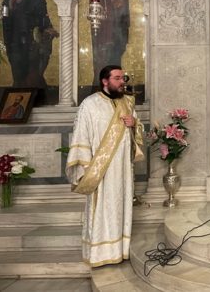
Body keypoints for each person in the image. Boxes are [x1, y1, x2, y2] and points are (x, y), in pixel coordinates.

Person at [65, 65, 144, 267]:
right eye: (117, 78)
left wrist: (134, 124)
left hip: (123, 168)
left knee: (120, 205)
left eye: (123, 78)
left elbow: (138, 129)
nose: (122, 82)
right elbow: (81, 134)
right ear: (105, 81)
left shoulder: (127, 102)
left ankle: (120, 250)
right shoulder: (90, 104)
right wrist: (86, 166)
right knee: (102, 208)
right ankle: (100, 253)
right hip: (101, 169)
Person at [1, 0, 59, 88]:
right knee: (19, 70)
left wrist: (48, 27)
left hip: (34, 37)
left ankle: (35, 91)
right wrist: (11, 4)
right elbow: (5, 14)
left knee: (35, 68)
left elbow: (43, 13)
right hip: (17, 36)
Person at [89, 0, 130, 85]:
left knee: (115, 55)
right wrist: (111, 4)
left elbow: (122, 8)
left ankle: (114, 81)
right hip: (103, 28)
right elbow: (96, 5)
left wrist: (121, 2)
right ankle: (100, 83)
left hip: (115, 27)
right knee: (102, 55)